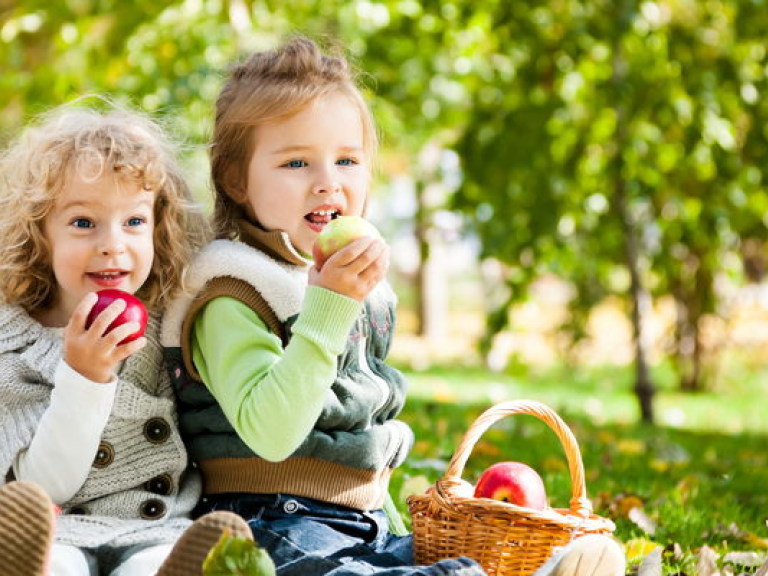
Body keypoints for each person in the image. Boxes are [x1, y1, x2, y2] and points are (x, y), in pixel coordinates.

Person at [161, 37, 626, 576]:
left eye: (346, 160)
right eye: (295, 162)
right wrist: (327, 308)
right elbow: (272, 434)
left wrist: (385, 510)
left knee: (426, 559)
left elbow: (359, 424)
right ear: (236, 181)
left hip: (360, 522)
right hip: (267, 523)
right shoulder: (231, 293)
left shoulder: (347, 283)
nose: (327, 182)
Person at [0, 101, 252, 576]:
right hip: (61, 527)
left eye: (134, 221)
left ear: (159, 226)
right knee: (57, 565)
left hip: (156, 529)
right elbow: (44, 487)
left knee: (154, 568)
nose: (112, 243)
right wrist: (84, 376)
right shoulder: (14, 345)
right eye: (82, 222)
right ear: (40, 233)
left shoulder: (169, 322)